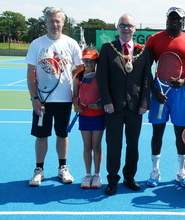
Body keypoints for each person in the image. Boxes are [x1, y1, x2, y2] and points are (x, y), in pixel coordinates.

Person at [145, 7, 185, 188]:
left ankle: (181, 172)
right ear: (167, 19)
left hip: (180, 93)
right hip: (159, 91)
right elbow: (146, 67)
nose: (174, 21)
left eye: (178, 19)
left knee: (181, 133)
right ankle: (155, 172)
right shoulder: (154, 40)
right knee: (157, 132)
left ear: (183, 21)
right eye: (171, 18)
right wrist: (154, 90)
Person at [26, 7, 84, 186]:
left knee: (62, 134)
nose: (54, 24)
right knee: (41, 136)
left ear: (63, 22)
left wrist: (74, 93)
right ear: (45, 22)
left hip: (64, 99)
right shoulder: (37, 44)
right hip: (42, 100)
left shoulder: (71, 43)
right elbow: (30, 75)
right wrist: (34, 98)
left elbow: (80, 69)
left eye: (58, 21)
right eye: (51, 21)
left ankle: (62, 168)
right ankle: (39, 170)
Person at [97, 14, 152, 195]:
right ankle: (112, 180)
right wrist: (107, 102)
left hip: (136, 107)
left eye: (129, 25)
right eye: (122, 25)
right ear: (117, 27)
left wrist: (145, 103)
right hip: (113, 107)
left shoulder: (142, 51)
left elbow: (146, 79)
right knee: (113, 145)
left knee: (133, 145)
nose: (126, 28)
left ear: (135, 29)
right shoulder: (107, 48)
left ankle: (129, 177)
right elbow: (102, 78)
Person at [72, 47, 105, 189]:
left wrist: (99, 104)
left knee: (96, 146)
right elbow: (75, 95)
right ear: (83, 61)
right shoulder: (78, 76)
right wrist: (76, 105)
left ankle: (97, 175)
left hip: (98, 115)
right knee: (87, 146)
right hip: (84, 115)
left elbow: (105, 95)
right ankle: (88, 174)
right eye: (86, 60)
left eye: (92, 60)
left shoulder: (101, 76)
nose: (89, 63)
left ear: (96, 61)